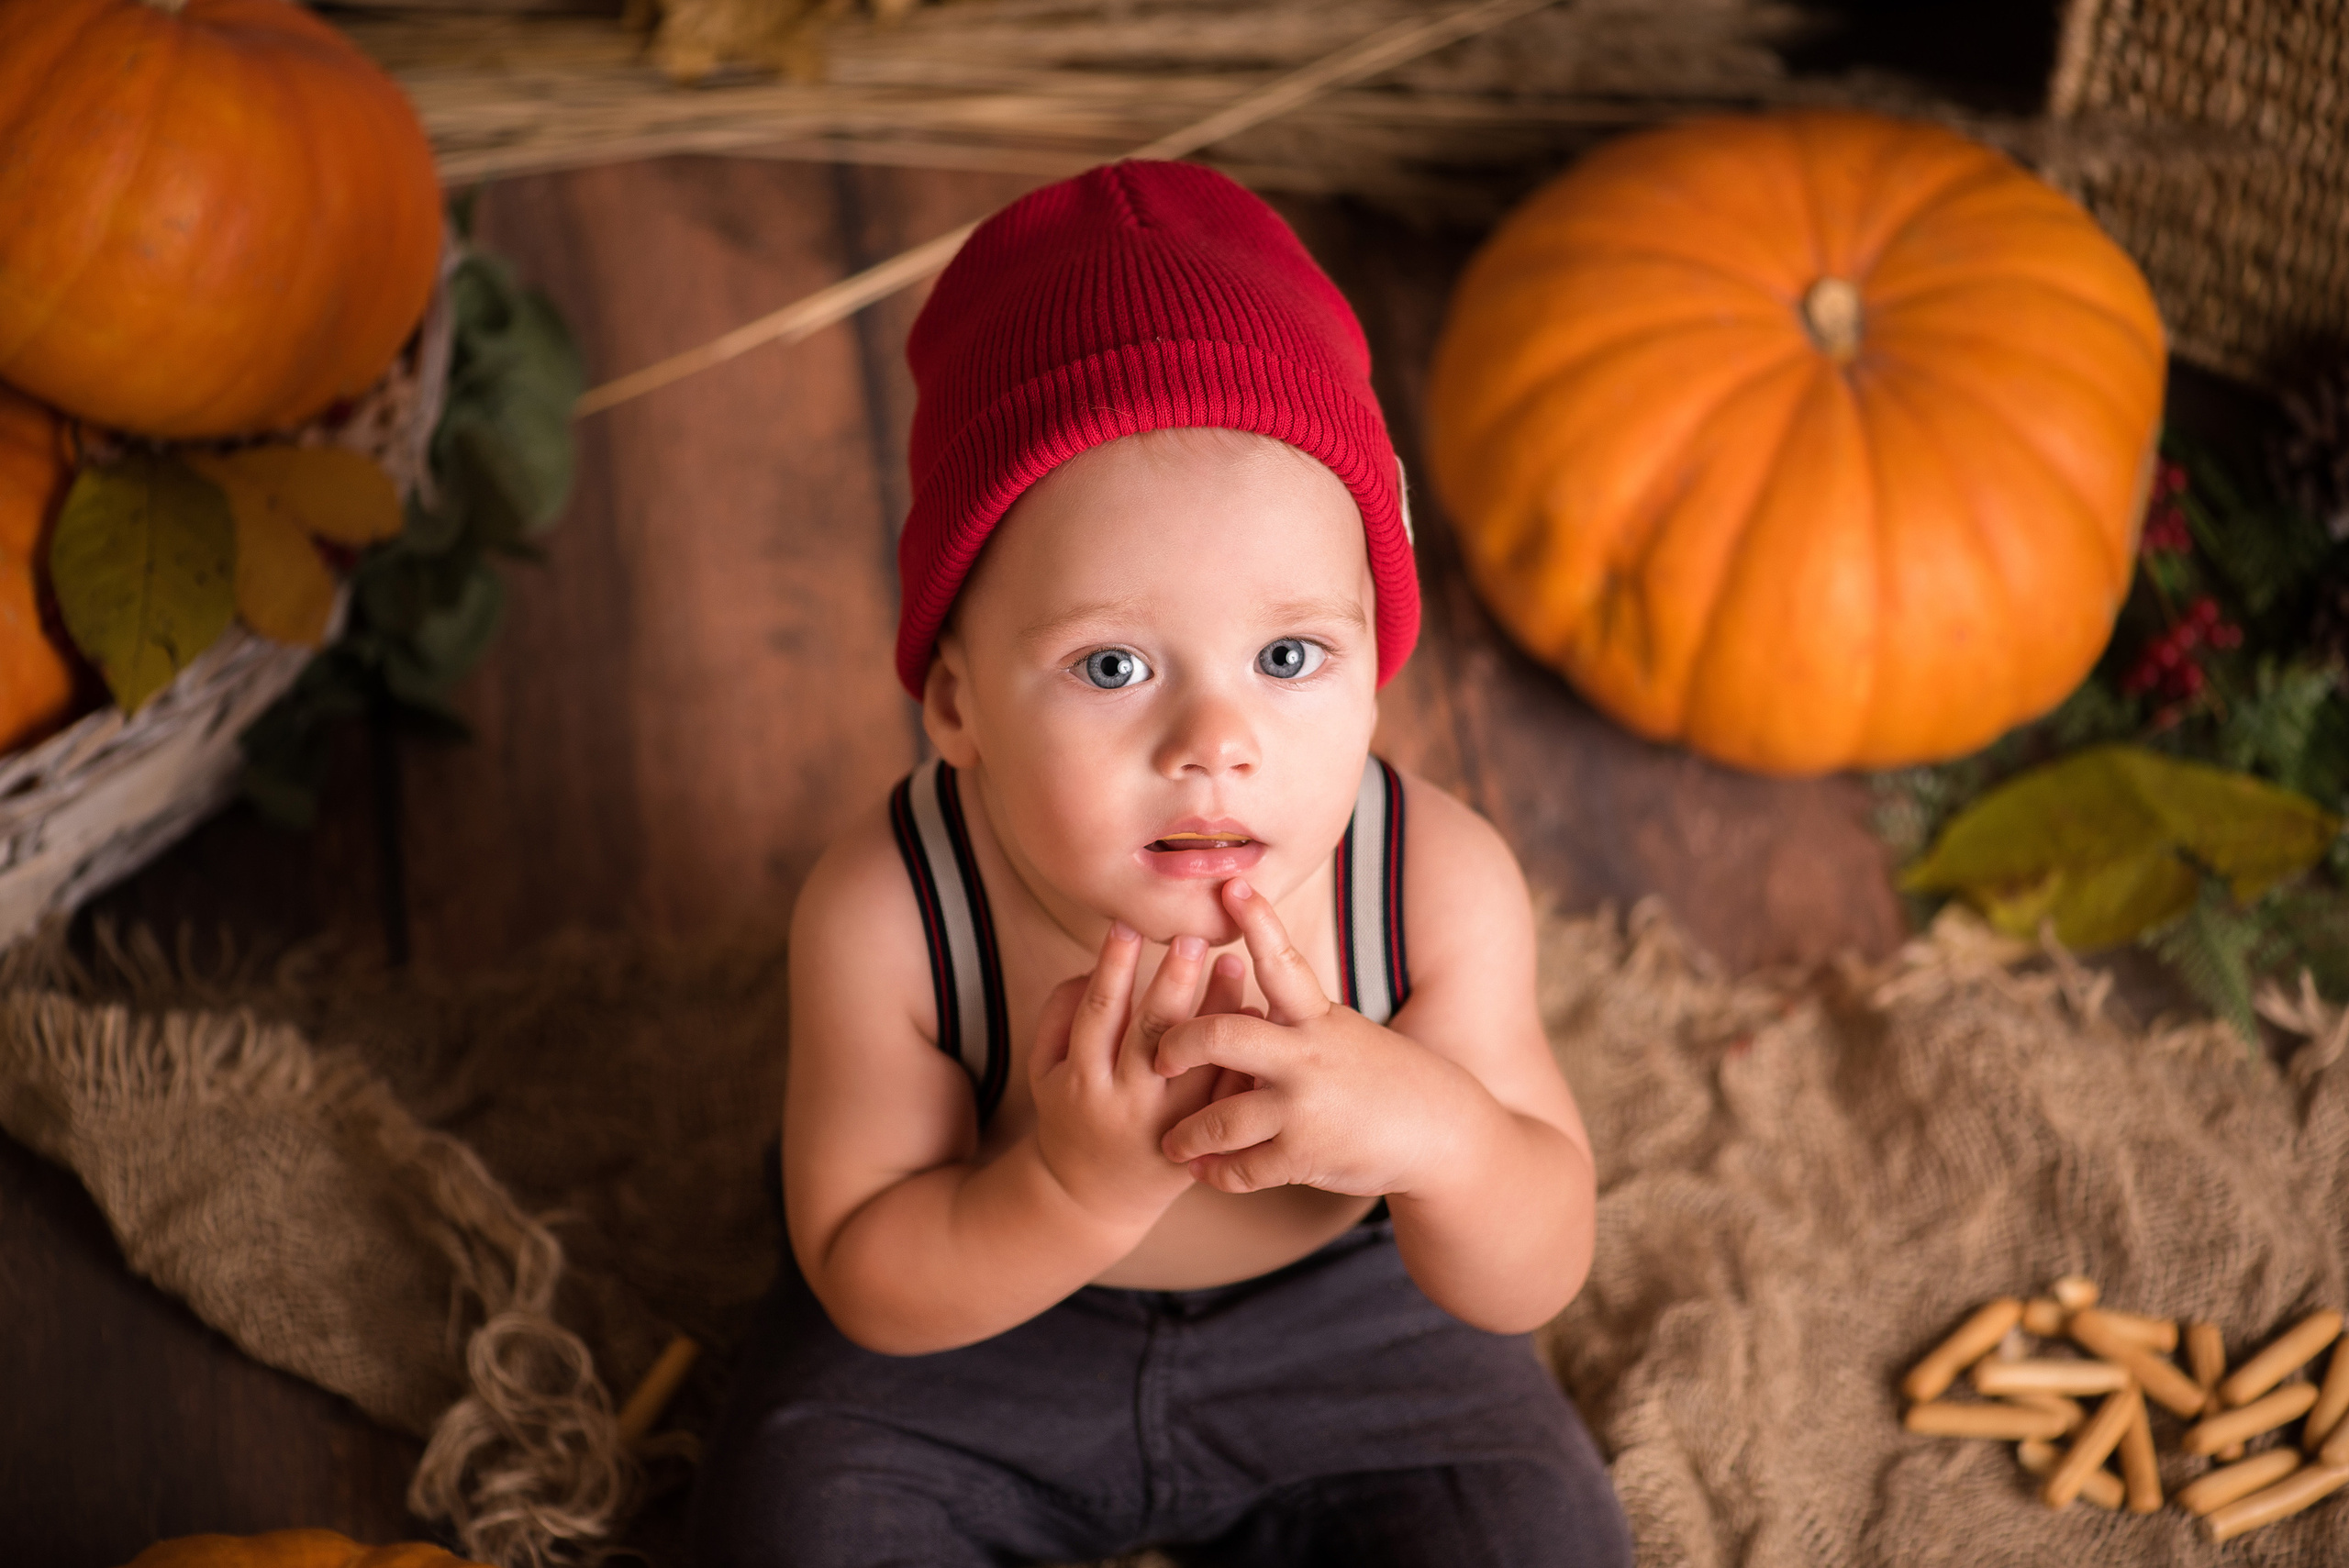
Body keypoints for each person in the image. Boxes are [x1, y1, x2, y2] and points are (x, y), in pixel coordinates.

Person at [691, 160, 1631, 1568]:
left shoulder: (1426, 882)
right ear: (955, 703)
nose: (1214, 739)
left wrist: (1434, 1132)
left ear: (1376, 663)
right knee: (800, 1519)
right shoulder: (895, 910)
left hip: (1362, 1337)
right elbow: (868, 1272)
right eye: (1114, 663)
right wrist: (1069, 1187)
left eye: (1289, 654)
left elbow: (1539, 1259)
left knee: (1535, 1536)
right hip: (976, 1344)